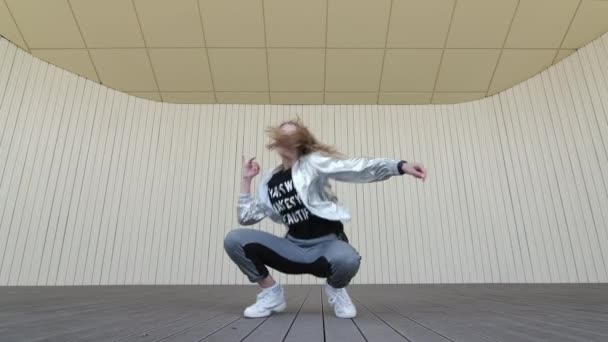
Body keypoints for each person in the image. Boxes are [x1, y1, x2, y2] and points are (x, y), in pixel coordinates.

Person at [224, 119, 427, 319]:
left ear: (300, 141)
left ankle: (336, 289)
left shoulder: (314, 165)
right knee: (235, 239)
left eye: (292, 135)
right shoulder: (269, 181)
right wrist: (246, 179)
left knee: (348, 259)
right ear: (276, 142)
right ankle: (271, 294)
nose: (286, 139)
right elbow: (246, 216)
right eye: (282, 135)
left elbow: (358, 167)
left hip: (327, 248)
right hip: (293, 249)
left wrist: (400, 166)